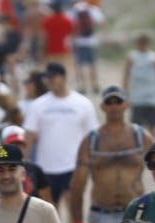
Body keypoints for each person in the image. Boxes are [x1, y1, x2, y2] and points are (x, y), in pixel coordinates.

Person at [70, 85, 151, 223]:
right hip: (102, 215)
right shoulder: (91, 141)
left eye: (118, 102)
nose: (114, 106)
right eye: (109, 102)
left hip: (135, 214)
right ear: (103, 106)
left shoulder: (142, 137)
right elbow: (77, 186)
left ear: (126, 105)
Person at [24, 62, 100, 209]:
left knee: (74, 209)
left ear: (63, 77)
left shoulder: (83, 103)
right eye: (48, 78)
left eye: (53, 77)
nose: (50, 81)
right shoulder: (38, 104)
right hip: (45, 167)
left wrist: (93, 164)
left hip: (73, 166)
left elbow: (92, 136)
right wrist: (25, 164)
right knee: (50, 213)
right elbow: (29, 136)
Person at [124, 33, 155, 132]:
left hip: (152, 98)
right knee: (137, 128)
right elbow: (126, 76)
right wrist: (125, 94)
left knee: (152, 127)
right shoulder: (132, 57)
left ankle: (152, 147)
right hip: (138, 98)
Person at [72, 0, 106, 94]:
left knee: (79, 65)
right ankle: (95, 85)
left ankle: (82, 86)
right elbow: (102, 23)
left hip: (79, 41)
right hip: (91, 41)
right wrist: (102, 35)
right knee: (93, 64)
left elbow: (72, 25)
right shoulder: (94, 9)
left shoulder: (75, 9)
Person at [42, 0, 76, 72]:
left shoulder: (48, 20)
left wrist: (43, 49)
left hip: (51, 49)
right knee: (63, 70)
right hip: (64, 49)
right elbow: (72, 34)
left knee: (52, 71)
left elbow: (45, 36)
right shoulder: (68, 20)